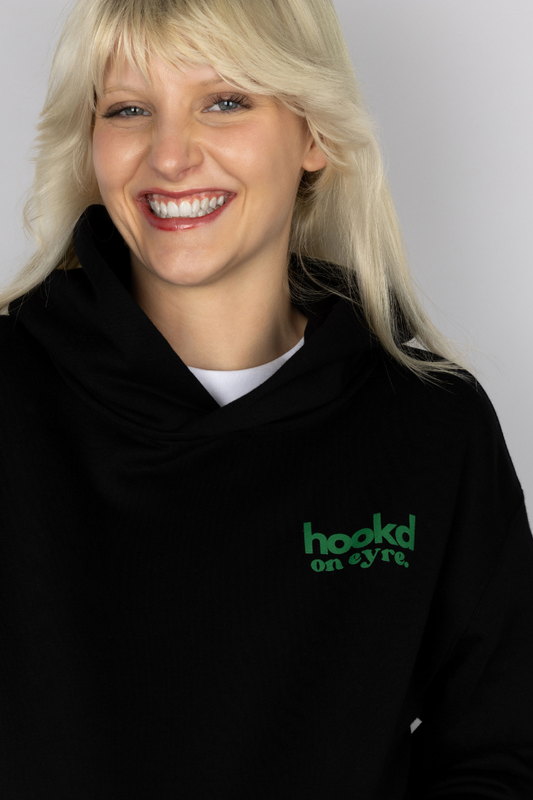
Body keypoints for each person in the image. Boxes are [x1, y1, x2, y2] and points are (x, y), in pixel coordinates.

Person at [1, 0, 532, 797]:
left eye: (225, 101)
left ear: (314, 134)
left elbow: (500, 751)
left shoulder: (429, 426)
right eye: (129, 109)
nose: (169, 156)